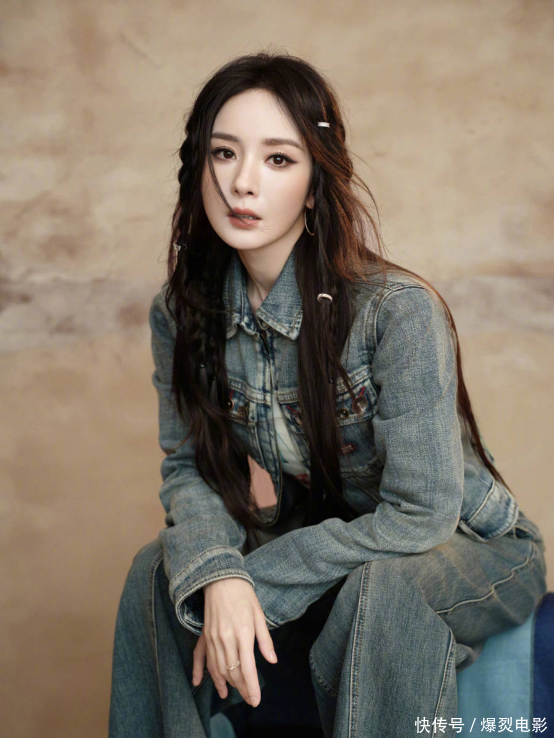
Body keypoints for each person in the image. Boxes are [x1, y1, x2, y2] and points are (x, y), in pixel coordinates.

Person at [108, 51, 548, 738]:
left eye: (278, 159)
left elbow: (422, 515)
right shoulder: (182, 312)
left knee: (383, 587)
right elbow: (191, 468)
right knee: (160, 571)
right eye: (224, 153)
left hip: (465, 546)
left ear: (314, 185)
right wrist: (216, 574)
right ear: (199, 166)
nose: (243, 182)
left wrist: (255, 580)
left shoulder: (394, 311)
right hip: (327, 533)